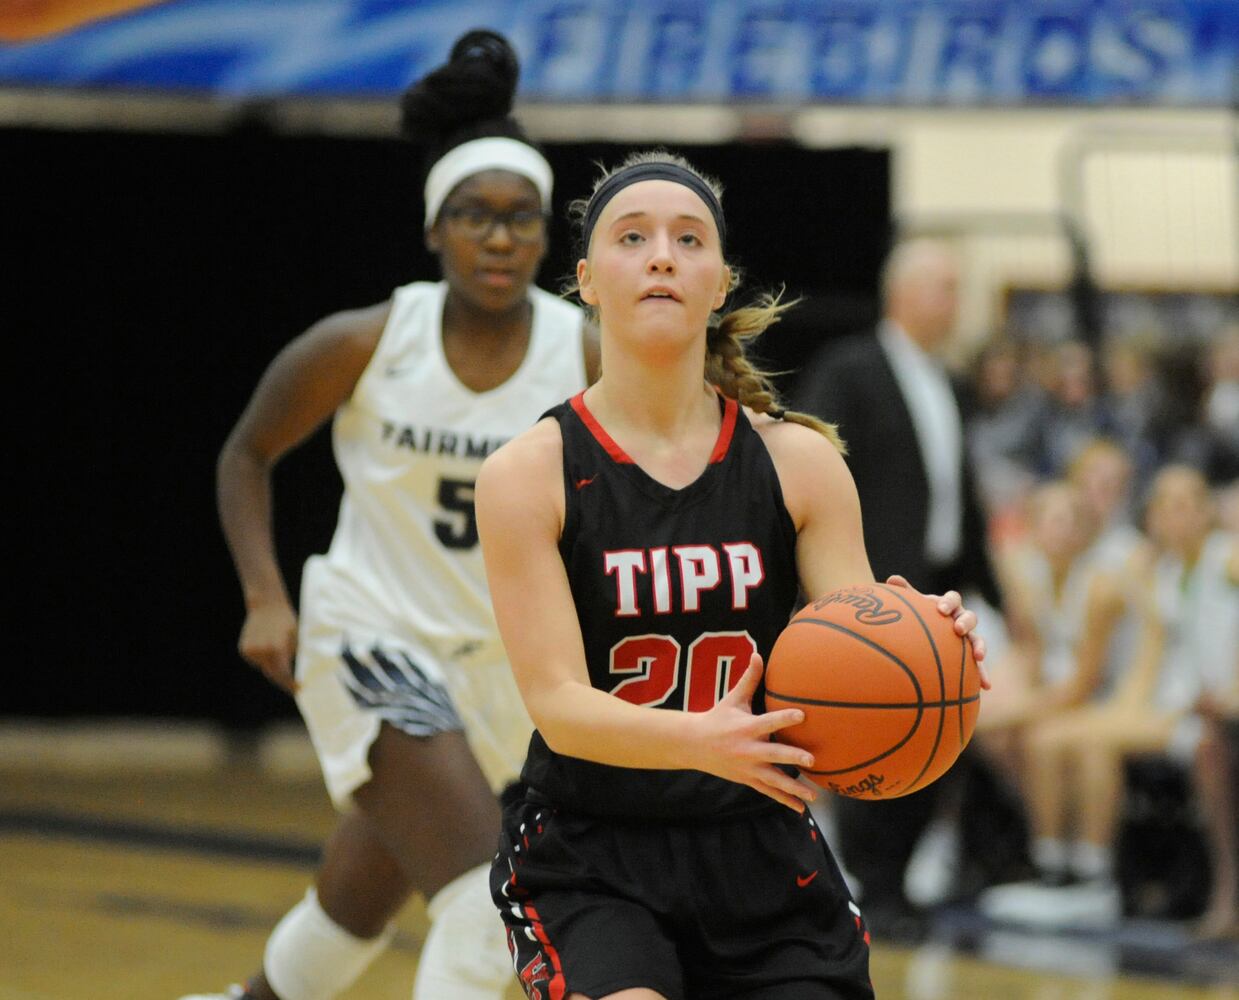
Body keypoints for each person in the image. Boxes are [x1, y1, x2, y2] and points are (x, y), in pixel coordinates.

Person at [473, 151, 989, 1000]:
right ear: (586, 282)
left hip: (760, 849)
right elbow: (559, 707)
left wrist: (931, 648)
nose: (662, 256)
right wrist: (706, 742)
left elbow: (859, 637)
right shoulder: (528, 474)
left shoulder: (798, 464)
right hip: (593, 850)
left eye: (688, 239)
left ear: (720, 283)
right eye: (631, 237)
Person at [188, 31, 598, 1000]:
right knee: (488, 906)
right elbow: (245, 454)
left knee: (357, 895)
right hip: (373, 633)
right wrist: (263, 595)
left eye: (520, 220)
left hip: (502, 673)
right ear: (433, 229)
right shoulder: (369, 341)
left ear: (546, 237)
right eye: (473, 216)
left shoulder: (583, 355)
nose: (498, 238)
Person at [792, 237, 1006, 937]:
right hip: (871, 584)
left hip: (943, 583)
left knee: (943, 726)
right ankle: (869, 883)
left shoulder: (949, 381)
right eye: (943, 285)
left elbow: (959, 496)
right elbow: (805, 465)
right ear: (901, 292)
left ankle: (899, 880)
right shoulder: (850, 369)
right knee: (872, 725)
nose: (954, 301)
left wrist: (995, 593)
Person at [980, 465, 1238, 933]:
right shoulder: (1162, 569)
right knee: (1060, 737)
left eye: (1185, 505)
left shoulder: (1225, 558)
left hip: (1198, 709)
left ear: (1209, 512)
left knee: (1061, 735)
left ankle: (1086, 877)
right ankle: (1069, 869)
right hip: (1169, 702)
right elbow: (1150, 659)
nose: (1173, 516)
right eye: (1163, 505)